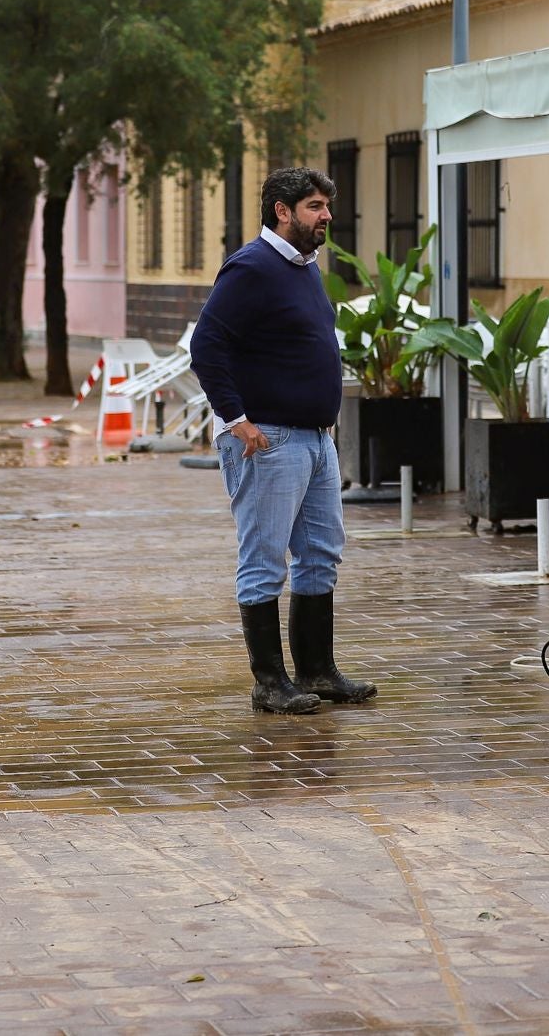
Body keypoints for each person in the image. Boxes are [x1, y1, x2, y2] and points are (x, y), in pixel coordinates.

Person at [190, 167, 376, 715]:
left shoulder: (303, 269)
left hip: (314, 441)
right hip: (266, 440)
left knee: (320, 556)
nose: (327, 216)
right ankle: (269, 682)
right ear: (282, 210)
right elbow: (207, 346)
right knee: (265, 559)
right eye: (316, 207)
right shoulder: (252, 267)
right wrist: (236, 419)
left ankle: (317, 672)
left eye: (327, 206)